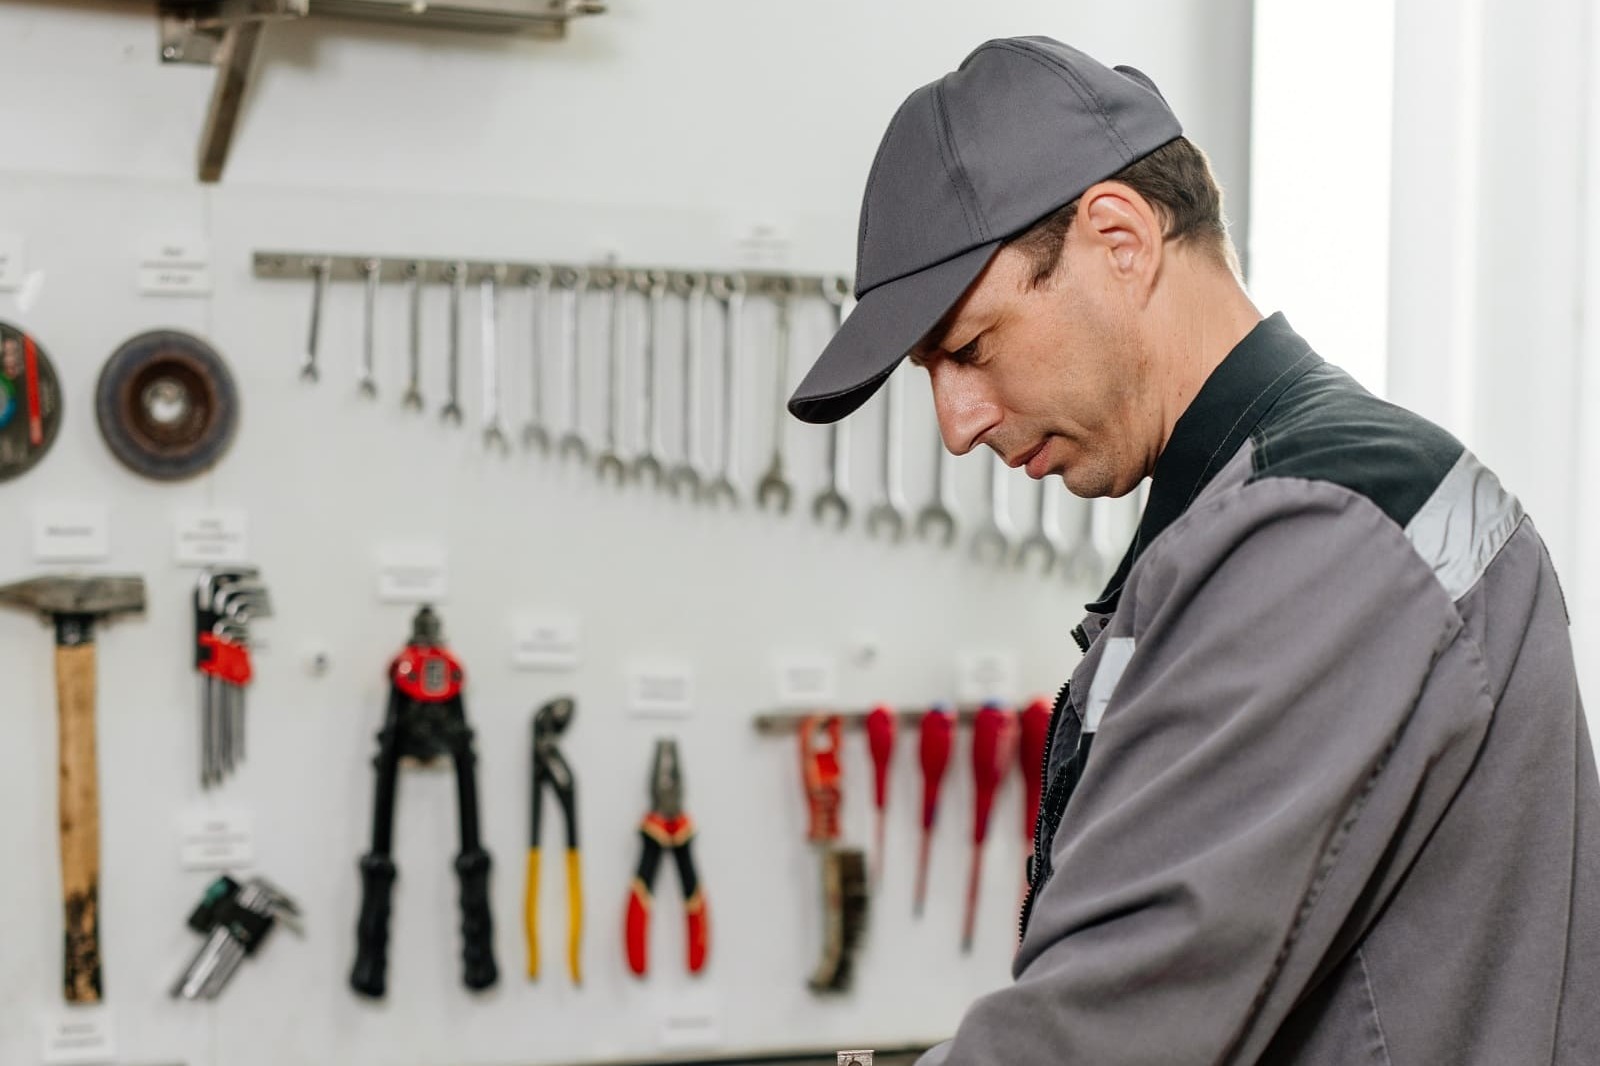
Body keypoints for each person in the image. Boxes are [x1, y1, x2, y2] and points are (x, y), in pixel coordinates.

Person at [788, 36, 1599, 1065]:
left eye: (972, 348)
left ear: (1120, 239)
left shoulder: (1317, 532)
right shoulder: (1280, 509)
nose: (956, 424)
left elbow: (1108, 1028)